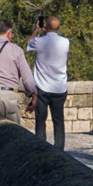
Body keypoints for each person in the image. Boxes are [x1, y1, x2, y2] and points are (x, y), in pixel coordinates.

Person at [26, 10, 70, 151]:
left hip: (42, 86)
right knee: (58, 120)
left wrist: (36, 31)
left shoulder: (39, 41)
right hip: (59, 87)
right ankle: (59, 148)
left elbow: (28, 45)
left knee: (40, 119)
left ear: (45, 26)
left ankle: (41, 148)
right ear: (59, 27)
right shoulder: (65, 42)